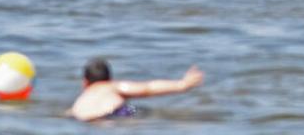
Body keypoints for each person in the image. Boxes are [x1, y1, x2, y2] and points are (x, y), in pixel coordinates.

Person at [68, 59, 204, 122]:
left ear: (85, 83)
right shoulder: (113, 86)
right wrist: (183, 84)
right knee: (137, 110)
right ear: (110, 78)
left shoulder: (81, 100)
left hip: (78, 118)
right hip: (112, 115)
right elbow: (148, 88)